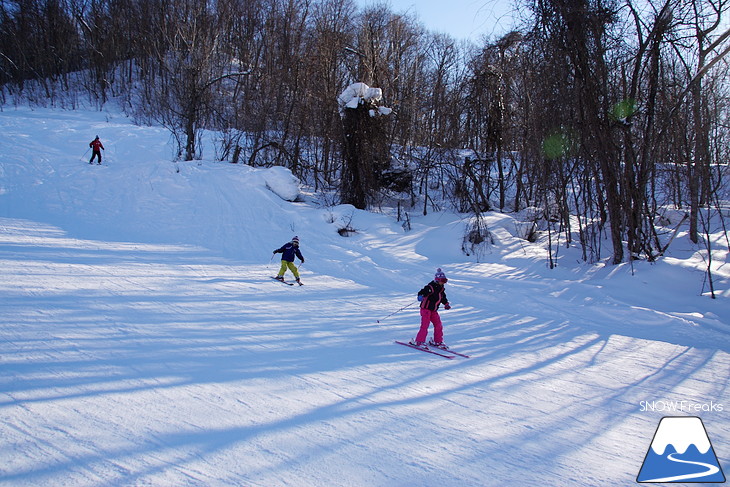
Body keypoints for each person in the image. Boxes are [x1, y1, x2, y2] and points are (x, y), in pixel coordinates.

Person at [410, 268, 451, 348]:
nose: (443, 283)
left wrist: (446, 304)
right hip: (425, 309)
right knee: (425, 325)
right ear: (437, 280)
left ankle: (438, 341)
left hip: (433, 310)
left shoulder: (441, 289)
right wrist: (420, 296)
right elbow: (421, 292)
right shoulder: (430, 287)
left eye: (445, 281)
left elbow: (443, 298)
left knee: (438, 325)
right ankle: (419, 341)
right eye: (442, 281)